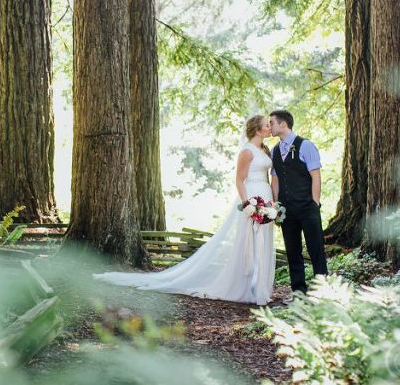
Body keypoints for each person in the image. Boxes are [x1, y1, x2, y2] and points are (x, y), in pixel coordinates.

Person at [93, 115, 276, 305]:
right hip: (251, 197)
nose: (270, 128)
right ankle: (246, 287)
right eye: (266, 125)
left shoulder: (265, 149)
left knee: (263, 240)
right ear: (257, 129)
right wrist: (247, 204)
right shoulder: (246, 152)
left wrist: (271, 204)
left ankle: (260, 286)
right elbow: (239, 180)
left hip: (265, 197)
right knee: (249, 242)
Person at [269, 110, 328, 294]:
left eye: (271, 123)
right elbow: (276, 180)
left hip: (307, 208)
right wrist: (276, 207)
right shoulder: (275, 151)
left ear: (283, 124)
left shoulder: (306, 145)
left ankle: (322, 290)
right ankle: (299, 292)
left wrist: (315, 203)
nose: (269, 126)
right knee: (293, 252)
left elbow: (316, 176)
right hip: (286, 210)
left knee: (315, 249)